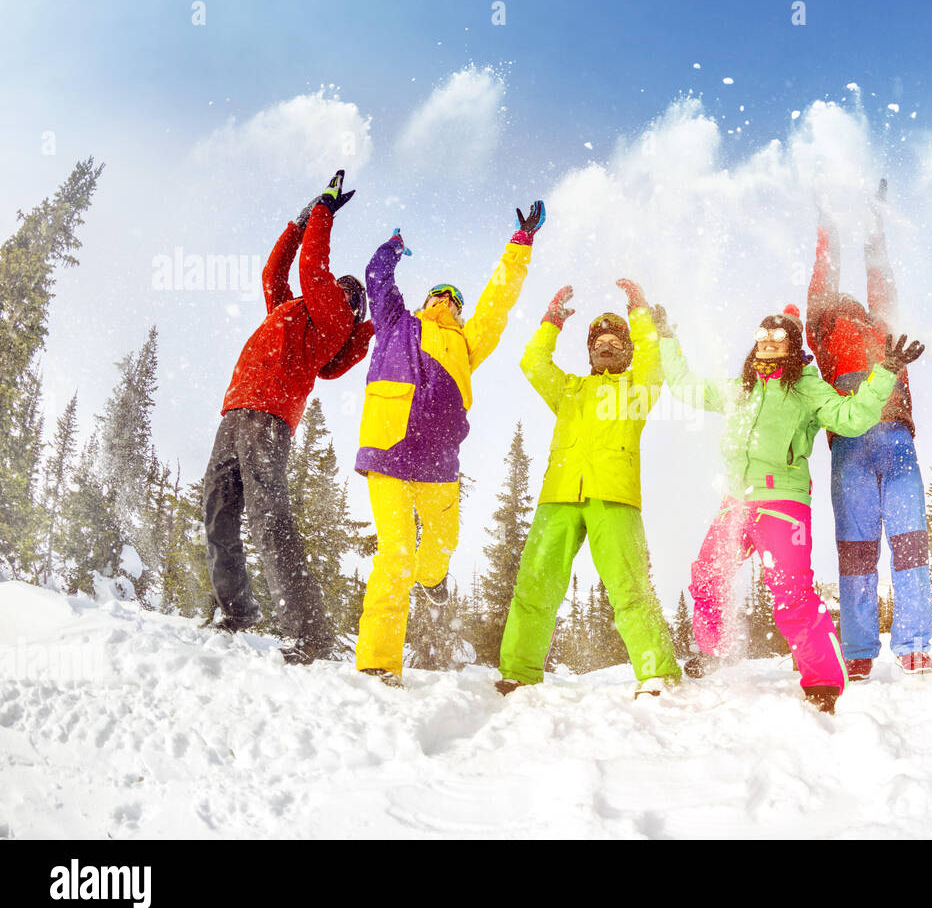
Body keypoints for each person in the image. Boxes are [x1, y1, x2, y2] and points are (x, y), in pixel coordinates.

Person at [659, 302, 924, 714]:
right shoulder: (740, 387)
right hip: (736, 501)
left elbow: (851, 418)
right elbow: (682, 385)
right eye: (761, 335)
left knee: (792, 594)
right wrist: (665, 338)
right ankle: (716, 651)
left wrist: (884, 371)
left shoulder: (806, 387)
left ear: (791, 345)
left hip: (783, 502)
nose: (767, 341)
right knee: (708, 576)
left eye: (778, 336)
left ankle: (822, 679)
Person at [353, 201, 545, 687]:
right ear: (429, 298)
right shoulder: (399, 323)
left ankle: (433, 579)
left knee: (441, 545)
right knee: (395, 554)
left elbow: (497, 305)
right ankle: (379, 662)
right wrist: (392, 248)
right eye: (443, 294)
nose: (450, 301)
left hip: (439, 462)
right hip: (390, 452)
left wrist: (520, 244)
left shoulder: (467, 341)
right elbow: (377, 279)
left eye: (456, 299)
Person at [203, 170, 373, 664]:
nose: (342, 290)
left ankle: (311, 633)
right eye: (343, 287)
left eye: (349, 292)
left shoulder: (333, 319)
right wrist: (300, 221)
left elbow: (313, 269)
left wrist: (322, 210)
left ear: (349, 307)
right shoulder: (291, 309)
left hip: (268, 416)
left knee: (268, 516)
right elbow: (273, 273)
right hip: (235, 409)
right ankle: (236, 611)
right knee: (217, 510)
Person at [496, 280, 682, 697]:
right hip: (558, 496)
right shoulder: (569, 391)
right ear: (590, 351)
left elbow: (654, 363)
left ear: (627, 350)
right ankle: (518, 673)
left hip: (614, 498)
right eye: (599, 339)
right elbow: (533, 363)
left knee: (630, 587)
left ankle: (656, 673)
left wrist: (639, 310)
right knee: (535, 584)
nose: (606, 345)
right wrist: (551, 322)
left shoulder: (637, 390)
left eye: (616, 340)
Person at [806, 180, 932, 681]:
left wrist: (875, 223)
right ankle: (859, 648)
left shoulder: (883, 323)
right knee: (856, 546)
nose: (855, 303)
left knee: (910, 540)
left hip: (898, 441)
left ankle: (915, 642)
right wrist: (828, 222)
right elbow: (823, 275)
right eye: (843, 300)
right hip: (852, 446)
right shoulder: (823, 323)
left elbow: (881, 276)